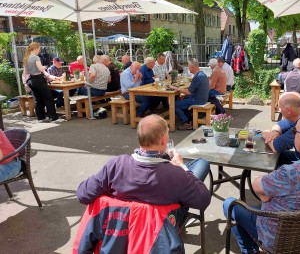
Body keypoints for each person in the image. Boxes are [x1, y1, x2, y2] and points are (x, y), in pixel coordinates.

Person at [223, 111, 300, 253]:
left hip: (279, 239)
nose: (293, 134)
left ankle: (250, 251)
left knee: (229, 204)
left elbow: (256, 186)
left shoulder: (290, 173)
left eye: (294, 131)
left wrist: (266, 196)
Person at [76, 114, 211, 213]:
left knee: (199, 164)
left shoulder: (116, 165)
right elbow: (203, 200)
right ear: (164, 140)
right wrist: (183, 168)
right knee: (201, 163)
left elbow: (82, 194)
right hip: (162, 228)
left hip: (122, 229)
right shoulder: (177, 174)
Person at [23, 42, 62, 122]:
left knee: (37, 99)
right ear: (35, 48)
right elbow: (41, 69)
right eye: (39, 49)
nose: (39, 51)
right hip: (38, 79)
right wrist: (45, 66)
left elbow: (26, 72)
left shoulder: (26, 58)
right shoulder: (36, 57)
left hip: (31, 80)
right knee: (48, 98)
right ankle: (53, 117)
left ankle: (40, 117)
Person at [171, 58, 209, 130]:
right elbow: (193, 90)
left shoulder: (197, 77)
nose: (188, 68)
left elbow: (189, 91)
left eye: (188, 66)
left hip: (197, 100)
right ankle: (190, 119)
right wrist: (185, 95)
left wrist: (177, 88)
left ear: (192, 66)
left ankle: (187, 122)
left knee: (174, 105)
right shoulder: (202, 74)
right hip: (202, 98)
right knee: (182, 100)